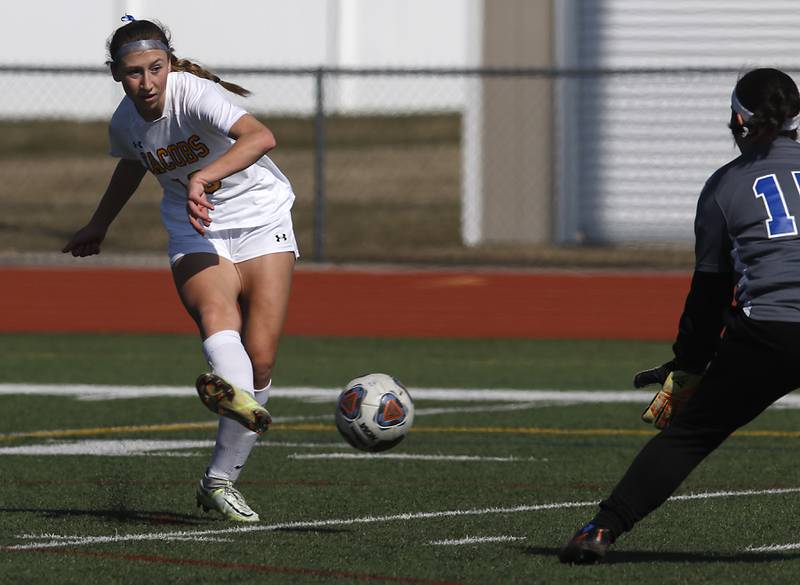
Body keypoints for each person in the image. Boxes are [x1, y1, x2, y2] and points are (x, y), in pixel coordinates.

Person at [62, 16, 299, 523]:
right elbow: (131, 163)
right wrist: (98, 224)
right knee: (217, 315)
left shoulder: (193, 94)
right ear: (115, 75)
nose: (146, 83)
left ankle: (219, 478)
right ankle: (235, 397)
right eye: (133, 74)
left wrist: (203, 179)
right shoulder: (124, 123)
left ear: (170, 63)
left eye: (155, 68)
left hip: (261, 218)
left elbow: (260, 137)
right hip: (196, 230)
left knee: (260, 361)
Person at [559, 67, 800, 564]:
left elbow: (709, 292)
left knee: (689, 436)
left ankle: (602, 529)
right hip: (772, 325)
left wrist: (688, 363)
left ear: (739, 119)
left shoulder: (723, 188)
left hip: (769, 333)